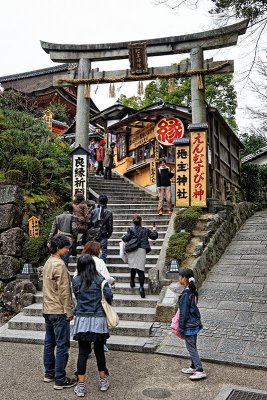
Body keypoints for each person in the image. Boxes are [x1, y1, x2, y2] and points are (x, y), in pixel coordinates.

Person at [72, 254, 113, 397]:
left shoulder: (76, 280)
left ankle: (81, 386)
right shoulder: (100, 279)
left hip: (82, 319)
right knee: (99, 351)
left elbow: (77, 298)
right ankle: (103, 381)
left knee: (83, 353)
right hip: (98, 319)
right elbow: (109, 296)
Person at [42, 235, 76, 390]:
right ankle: (60, 379)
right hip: (58, 309)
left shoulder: (48, 262)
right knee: (62, 345)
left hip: (47, 309)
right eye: (66, 247)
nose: (68, 250)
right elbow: (64, 291)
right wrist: (69, 310)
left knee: (49, 343)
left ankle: (49, 373)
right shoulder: (60, 265)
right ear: (59, 248)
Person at [177, 268, 206, 380]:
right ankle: (194, 366)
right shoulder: (192, 290)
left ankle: (200, 370)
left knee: (191, 347)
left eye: (180, 276)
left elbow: (183, 312)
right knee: (192, 345)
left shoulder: (186, 293)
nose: (179, 278)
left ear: (184, 278)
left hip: (189, 325)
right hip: (194, 323)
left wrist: (180, 328)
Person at [122, 215, 158, 298]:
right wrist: (155, 230)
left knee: (133, 267)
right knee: (140, 269)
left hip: (132, 250)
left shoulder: (130, 229)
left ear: (133, 222)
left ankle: (132, 282)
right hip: (142, 250)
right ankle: (141, 288)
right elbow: (154, 237)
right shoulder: (145, 230)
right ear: (141, 221)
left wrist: (123, 236)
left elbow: (126, 239)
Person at [87, 194, 113, 263]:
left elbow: (89, 223)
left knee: (94, 249)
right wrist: (108, 234)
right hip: (104, 233)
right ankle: (102, 265)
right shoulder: (109, 212)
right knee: (103, 250)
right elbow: (110, 226)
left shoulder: (94, 211)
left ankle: (93, 265)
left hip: (94, 233)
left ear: (99, 201)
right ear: (106, 201)